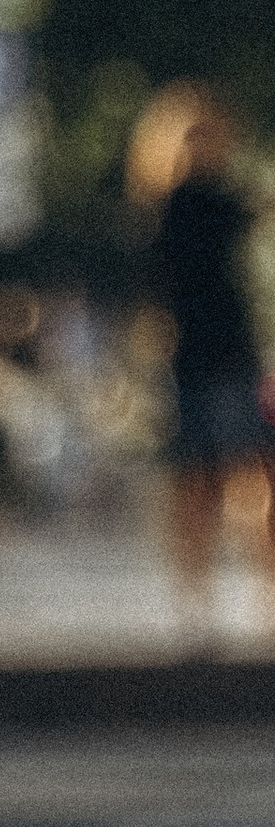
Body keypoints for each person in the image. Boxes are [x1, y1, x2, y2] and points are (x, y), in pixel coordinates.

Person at [126, 83, 275, 633]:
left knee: (248, 480)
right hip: (190, 359)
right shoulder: (167, 208)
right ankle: (196, 602)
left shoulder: (212, 201)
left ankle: (259, 595)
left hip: (229, 353)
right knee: (196, 485)